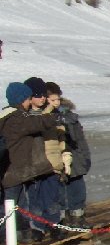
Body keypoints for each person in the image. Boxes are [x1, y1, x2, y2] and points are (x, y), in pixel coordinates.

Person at [0, 82, 61, 243]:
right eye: (27, 99)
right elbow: (34, 124)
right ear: (21, 100)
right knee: (11, 207)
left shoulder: (13, 115)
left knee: (20, 207)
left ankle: (21, 233)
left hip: (17, 172)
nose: (29, 102)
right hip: (11, 173)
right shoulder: (14, 118)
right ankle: (8, 236)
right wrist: (54, 118)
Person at [45, 82, 90, 228]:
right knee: (59, 191)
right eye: (52, 100)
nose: (56, 103)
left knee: (76, 188)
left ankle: (78, 217)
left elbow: (80, 139)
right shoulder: (44, 118)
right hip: (57, 159)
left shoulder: (69, 116)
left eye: (58, 99)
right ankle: (62, 219)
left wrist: (85, 157)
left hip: (75, 158)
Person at [24, 76, 63, 233]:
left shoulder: (50, 113)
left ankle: (53, 224)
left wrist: (64, 156)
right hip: (33, 164)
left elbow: (59, 137)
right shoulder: (25, 116)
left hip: (50, 162)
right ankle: (37, 227)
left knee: (52, 195)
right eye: (38, 95)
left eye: (43, 95)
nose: (42, 98)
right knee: (34, 199)